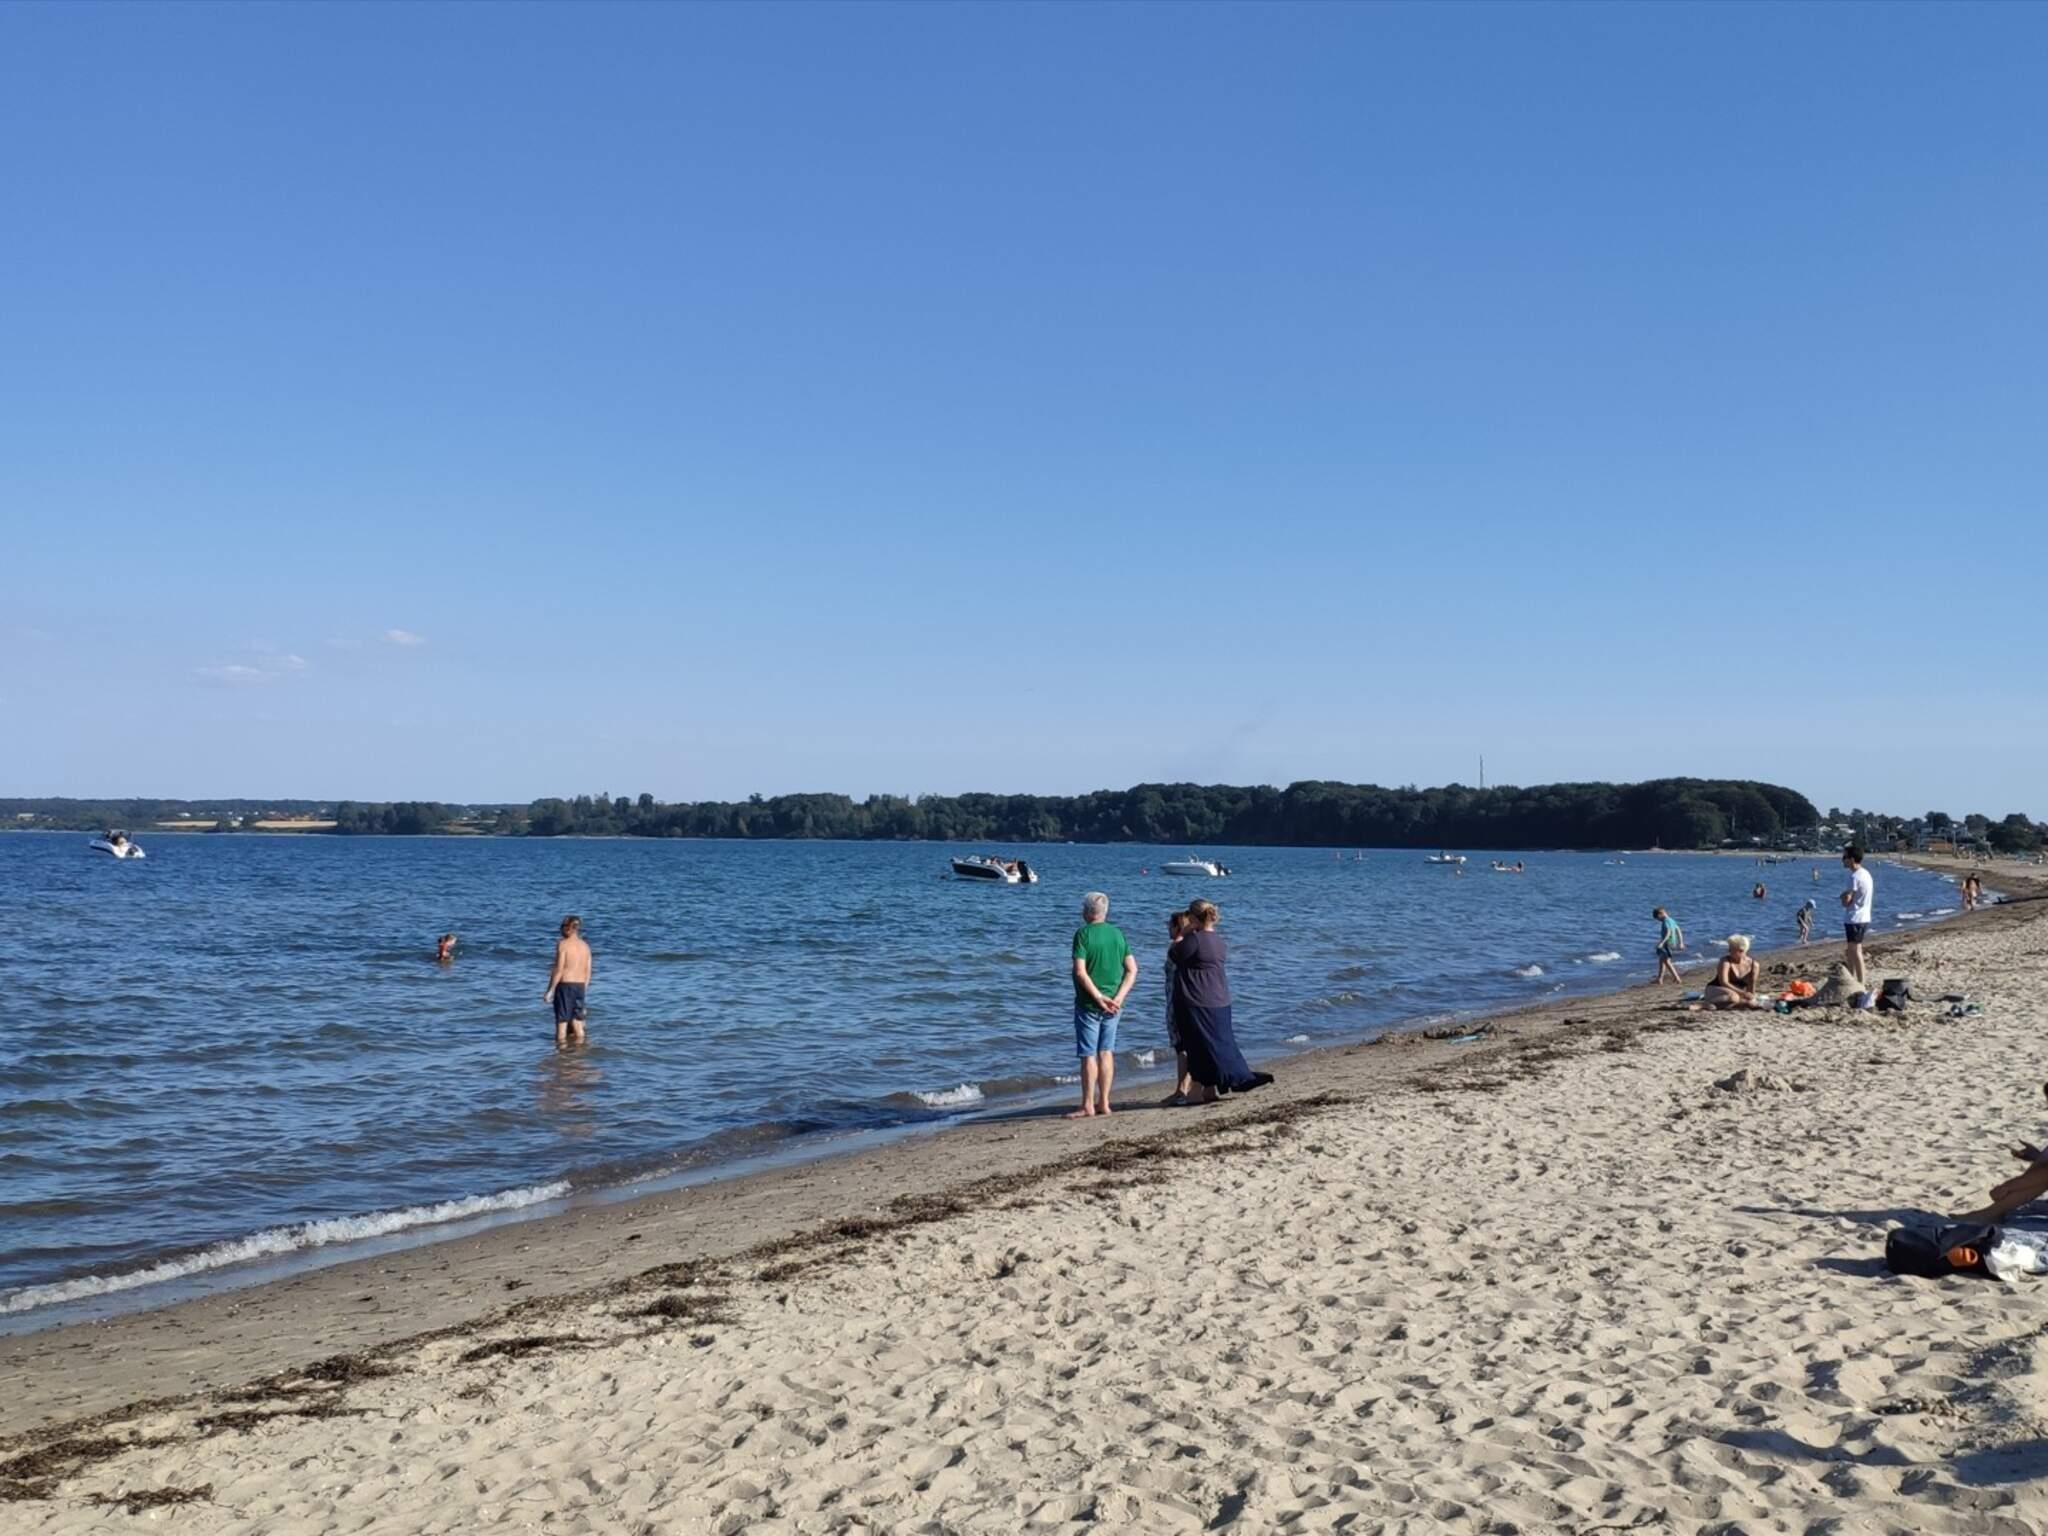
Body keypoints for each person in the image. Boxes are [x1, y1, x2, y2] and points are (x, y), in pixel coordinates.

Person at [1168, 899, 1274, 1103]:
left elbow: (1174, 954)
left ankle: (1198, 1091)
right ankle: (1210, 1090)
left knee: (1197, 1047)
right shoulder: (1219, 941)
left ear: (1193, 918)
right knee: (1219, 1043)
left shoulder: (1194, 940)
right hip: (1220, 998)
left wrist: (1182, 934)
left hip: (1196, 999)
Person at [1070, 891, 1135, 1119]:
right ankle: (1104, 1102)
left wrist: (1098, 997)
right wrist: (1118, 998)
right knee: (1106, 1052)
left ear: (1088, 912)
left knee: (1089, 1054)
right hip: (1114, 1004)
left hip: (1090, 1003)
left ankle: (1088, 1104)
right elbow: (1132, 970)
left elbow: (1080, 971)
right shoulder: (1117, 933)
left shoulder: (1083, 934)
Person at [1160, 910, 1196, 1106]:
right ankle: (1186, 1086)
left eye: (1170, 925)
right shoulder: (1192, 946)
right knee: (1186, 1045)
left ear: (1177, 927)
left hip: (1176, 1001)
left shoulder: (1176, 948)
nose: (1168, 928)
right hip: (1187, 1000)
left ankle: (1181, 1089)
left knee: (1181, 1046)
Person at [544, 915, 593, 1048]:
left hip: (565, 986)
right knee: (578, 1024)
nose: (560, 930)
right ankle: (580, 1053)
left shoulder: (563, 945)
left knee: (562, 1024)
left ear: (568, 928)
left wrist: (550, 990)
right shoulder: (586, 947)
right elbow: (588, 972)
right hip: (580, 987)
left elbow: (559, 970)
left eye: (562, 927)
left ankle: (561, 1055)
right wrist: (584, 990)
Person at [1840, 845, 1875, 987]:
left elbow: (1847, 901)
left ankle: (1860, 982)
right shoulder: (1866, 873)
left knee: (1854, 951)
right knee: (1852, 950)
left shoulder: (1854, 876)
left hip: (1855, 917)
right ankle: (1853, 979)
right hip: (1863, 916)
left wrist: (1843, 897)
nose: (1843, 860)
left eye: (1845, 857)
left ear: (1852, 859)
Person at [1698, 935, 1762, 1009]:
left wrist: (1751, 996)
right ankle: (1703, 1004)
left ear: (1741, 950)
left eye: (1731, 949)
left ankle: (1718, 1005)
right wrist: (1743, 993)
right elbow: (1724, 982)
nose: (1728, 951)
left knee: (1749, 1002)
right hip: (1717, 989)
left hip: (1736, 992)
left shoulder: (1754, 965)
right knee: (1734, 997)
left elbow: (1752, 984)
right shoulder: (1725, 961)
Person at [1652, 907, 1685, 985]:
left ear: (1660, 914)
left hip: (1667, 943)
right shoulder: (1672, 920)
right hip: (1672, 943)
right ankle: (1660, 979)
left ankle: (1677, 978)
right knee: (1662, 960)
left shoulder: (1665, 921)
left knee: (1667, 961)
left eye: (1658, 918)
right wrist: (1681, 942)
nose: (1658, 920)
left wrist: (1662, 943)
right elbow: (1678, 930)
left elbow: (1668, 932)